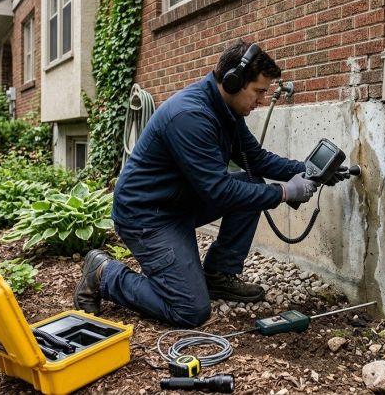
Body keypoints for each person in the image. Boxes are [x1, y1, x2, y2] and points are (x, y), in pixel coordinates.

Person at [73, 40, 345, 328]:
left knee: (251, 181)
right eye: (259, 91)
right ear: (233, 81)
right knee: (189, 310)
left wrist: (310, 171)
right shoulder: (190, 116)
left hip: (179, 202)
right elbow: (220, 191)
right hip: (147, 215)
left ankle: (218, 275)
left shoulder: (226, 110)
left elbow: (256, 159)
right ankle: (104, 273)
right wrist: (285, 191)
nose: (262, 100)